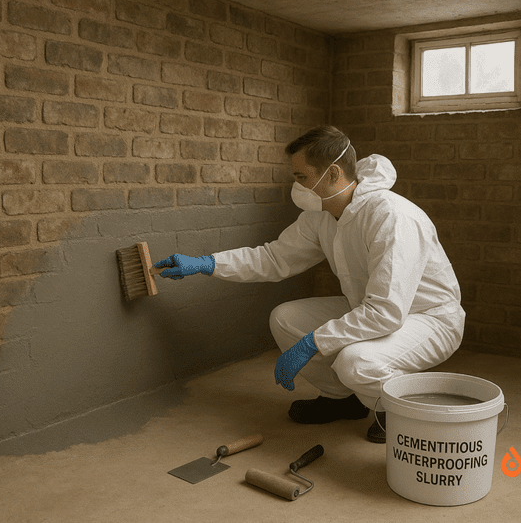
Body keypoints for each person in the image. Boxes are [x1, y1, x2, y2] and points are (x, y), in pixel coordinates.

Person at [154, 125, 465, 443]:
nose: (296, 184)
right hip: (371, 308)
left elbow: (386, 311)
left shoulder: (391, 217)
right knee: (285, 319)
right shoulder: (322, 215)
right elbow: (275, 258)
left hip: (429, 319)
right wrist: (206, 264)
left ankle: (394, 411)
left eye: (301, 176)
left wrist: (312, 343)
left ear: (332, 173)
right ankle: (341, 400)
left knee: (355, 361)